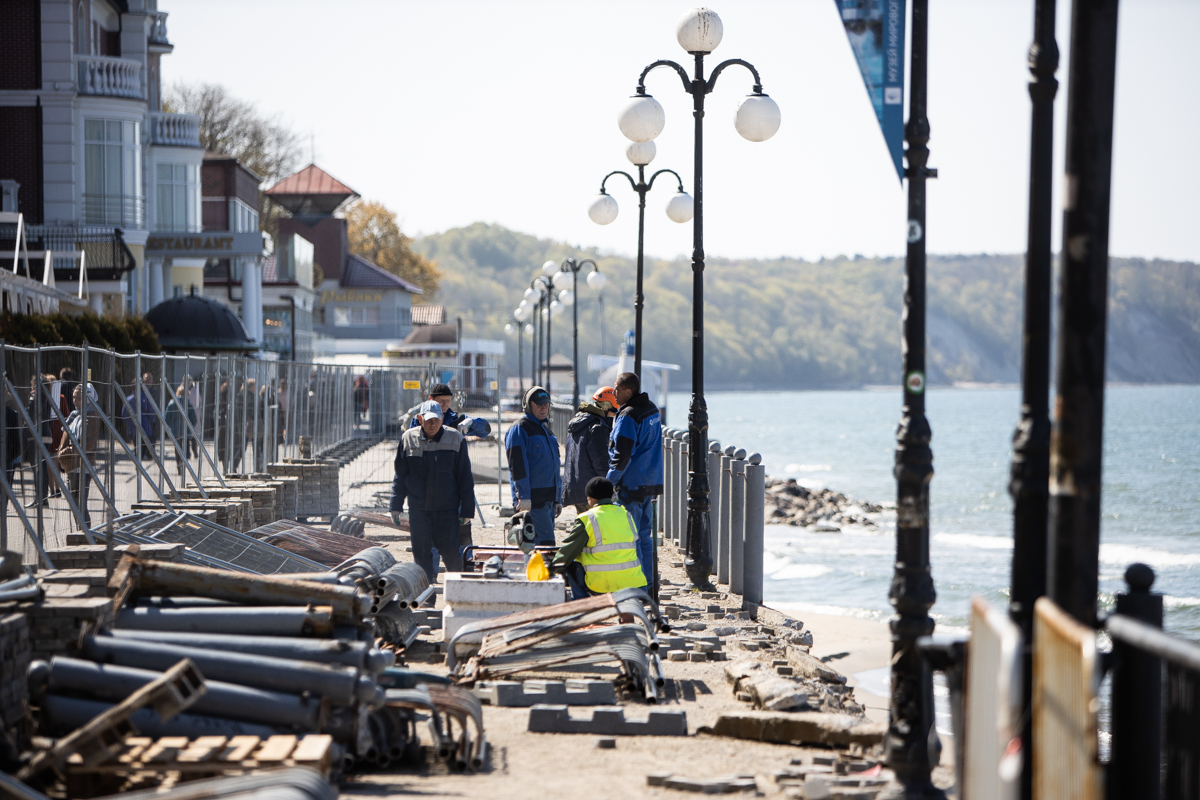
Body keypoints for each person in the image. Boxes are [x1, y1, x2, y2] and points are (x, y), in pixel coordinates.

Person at [390, 400, 476, 581]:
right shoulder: (408, 439)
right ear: (420, 419)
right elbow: (400, 476)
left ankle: (457, 595)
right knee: (421, 557)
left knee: (452, 555)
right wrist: (395, 506)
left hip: (447, 511)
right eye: (428, 420)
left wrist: (467, 510)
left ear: (442, 418)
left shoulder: (455, 440)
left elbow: (465, 478)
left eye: (436, 420)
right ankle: (426, 597)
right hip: (418, 511)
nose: (432, 424)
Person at [606, 372, 663, 587]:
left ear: (628, 391)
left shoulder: (628, 416)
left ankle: (637, 587)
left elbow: (622, 454)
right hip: (651, 482)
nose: (613, 393)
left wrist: (608, 482)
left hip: (632, 483)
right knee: (645, 537)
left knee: (632, 538)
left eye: (616, 389)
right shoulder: (652, 410)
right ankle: (648, 585)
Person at [551, 477, 647, 600]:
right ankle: (627, 616)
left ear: (593, 498)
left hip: (602, 585)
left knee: (572, 565)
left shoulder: (588, 518)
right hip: (633, 582)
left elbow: (569, 550)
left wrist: (552, 568)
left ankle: (584, 606)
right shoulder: (625, 514)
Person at [504, 385, 561, 545]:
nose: (543, 408)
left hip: (548, 501)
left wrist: (557, 499)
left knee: (539, 548)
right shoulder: (520, 429)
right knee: (544, 547)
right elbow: (517, 465)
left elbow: (554, 468)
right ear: (528, 405)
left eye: (546, 404)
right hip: (533, 502)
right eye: (539, 404)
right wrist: (523, 496)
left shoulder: (546, 430)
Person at [562, 386, 618, 515]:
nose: (614, 416)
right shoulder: (596, 429)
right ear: (605, 408)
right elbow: (601, 463)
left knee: (587, 527)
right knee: (598, 531)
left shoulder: (578, 424)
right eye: (613, 412)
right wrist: (611, 488)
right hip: (593, 492)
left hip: (576, 488)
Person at [55, 383, 100, 529]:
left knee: (79, 503)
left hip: (82, 465)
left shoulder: (91, 415)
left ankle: (85, 533)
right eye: (74, 397)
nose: (75, 401)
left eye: (79, 398)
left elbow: (87, 445)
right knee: (75, 502)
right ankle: (82, 531)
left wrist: (67, 451)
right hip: (72, 465)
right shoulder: (75, 415)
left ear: (88, 398)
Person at [404, 383, 491, 438]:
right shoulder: (420, 419)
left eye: (448, 401)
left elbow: (484, 432)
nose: (445, 404)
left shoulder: (456, 420)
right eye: (442, 401)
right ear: (431, 399)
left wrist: (472, 422)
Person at [120, 373, 158, 460]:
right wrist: (152, 421)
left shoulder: (129, 399)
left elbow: (124, 414)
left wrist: (125, 421)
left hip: (133, 428)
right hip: (146, 428)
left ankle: (138, 464)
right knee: (143, 447)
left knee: (137, 447)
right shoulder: (147, 397)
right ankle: (140, 462)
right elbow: (152, 412)